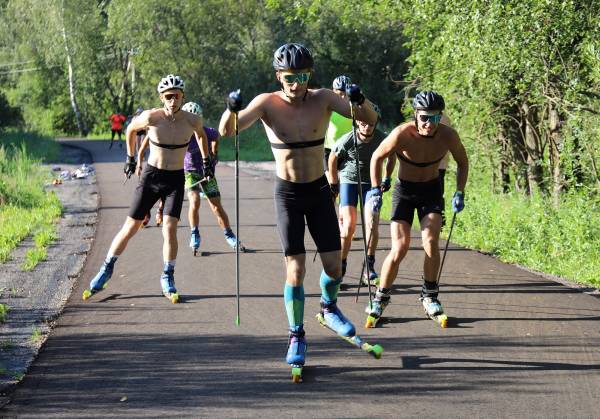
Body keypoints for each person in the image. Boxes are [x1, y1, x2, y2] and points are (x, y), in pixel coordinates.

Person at [218, 43, 377, 371]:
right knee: (296, 268)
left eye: (302, 76)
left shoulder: (324, 99)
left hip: (319, 191)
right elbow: (227, 130)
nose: (296, 83)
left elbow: (369, 117)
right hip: (288, 194)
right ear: (279, 76)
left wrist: (359, 98)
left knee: (335, 268)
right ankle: (296, 334)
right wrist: (230, 108)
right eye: (290, 77)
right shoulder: (267, 103)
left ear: (310, 75)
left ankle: (328, 308)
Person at [83, 74, 211, 304]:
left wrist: (206, 160)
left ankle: (168, 275)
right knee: (131, 226)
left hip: (174, 179)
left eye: (177, 96)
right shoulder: (151, 116)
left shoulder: (192, 120)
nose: (173, 101)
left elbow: (202, 137)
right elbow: (130, 130)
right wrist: (131, 158)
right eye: (168, 96)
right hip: (152, 177)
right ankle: (107, 268)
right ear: (162, 97)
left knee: (170, 228)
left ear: (183, 97)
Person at [364, 91, 468, 327]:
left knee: (431, 242)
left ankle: (430, 295)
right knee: (399, 247)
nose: (428, 124)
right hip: (405, 192)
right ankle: (381, 297)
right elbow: (377, 157)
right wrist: (374, 189)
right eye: (424, 118)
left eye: (434, 118)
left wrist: (459, 191)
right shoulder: (402, 133)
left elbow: (463, 161)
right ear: (415, 115)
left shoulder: (448, 135)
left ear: (440, 117)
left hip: (431, 191)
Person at [328, 104, 394, 289]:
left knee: (372, 224)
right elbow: (333, 157)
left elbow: (392, 156)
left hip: (371, 185)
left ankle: (369, 267)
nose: (367, 126)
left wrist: (387, 178)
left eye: (371, 122)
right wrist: (334, 183)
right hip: (349, 182)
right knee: (348, 227)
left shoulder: (382, 138)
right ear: (357, 122)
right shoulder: (348, 139)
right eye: (363, 122)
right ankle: (340, 267)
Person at [181, 101, 245, 254]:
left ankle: (229, 235)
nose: (192, 122)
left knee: (216, 206)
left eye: (195, 118)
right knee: (194, 201)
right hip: (190, 172)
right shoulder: (182, 135)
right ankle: (194, 233)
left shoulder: (207, 131)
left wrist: (214, 153)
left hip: (206, 172)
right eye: (189, 119)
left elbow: (216, 136)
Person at [324, 75, 353, 182]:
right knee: (331, 184)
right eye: (339, 94)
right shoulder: (328, 107)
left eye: (345, 94)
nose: (342, 97)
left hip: (348, 151)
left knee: (344, 185)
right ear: (333, 92)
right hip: (329, 150)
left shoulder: (353, 107)